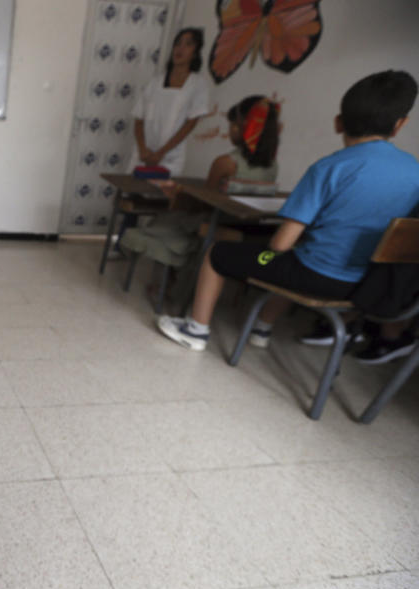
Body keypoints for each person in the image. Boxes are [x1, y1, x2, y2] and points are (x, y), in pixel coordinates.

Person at [156, 70, 419, 351]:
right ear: (399, 125)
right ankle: (261, 328)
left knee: (225, 253)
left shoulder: (329, 168)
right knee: (293, 258)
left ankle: (196, 330)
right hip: (370, 283)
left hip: (313, 274)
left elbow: (280, 244)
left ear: (338, 123)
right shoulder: (415, 172)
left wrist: (271, 248)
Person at [121, 95, 281, 303]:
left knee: (164, 221)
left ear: (239, 128)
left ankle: (165, 284)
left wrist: (177, 193)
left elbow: (204, 201)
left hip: (212, 223)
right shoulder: (273, 166)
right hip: (243, 225)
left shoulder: (226, 163)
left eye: (231, 123)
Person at [113, 27, 212, 254]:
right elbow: (138, 118)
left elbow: (190, 123)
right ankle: (122, 244)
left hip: (171, 156)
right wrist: (144, 149)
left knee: (166, 201)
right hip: (144, 153)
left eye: (188, 44)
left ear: (196, 52)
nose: (180, 48)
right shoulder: (155, 82)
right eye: (178, 43)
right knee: (132, 194)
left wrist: (162, 151)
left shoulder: (197, 85)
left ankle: (153, 246)